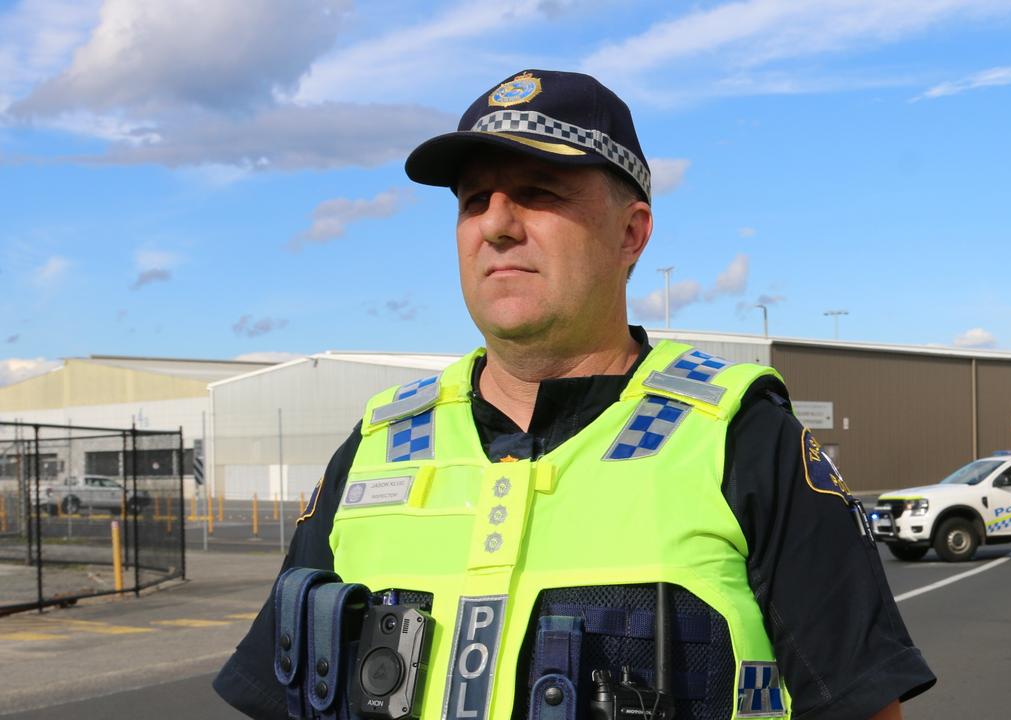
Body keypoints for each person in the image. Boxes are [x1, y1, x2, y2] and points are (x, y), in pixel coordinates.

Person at [214, 69, 934, 720]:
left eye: (538, 194)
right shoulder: (372, 450)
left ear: (632, 234)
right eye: (474, 201)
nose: (496, 224)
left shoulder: (744, 440)